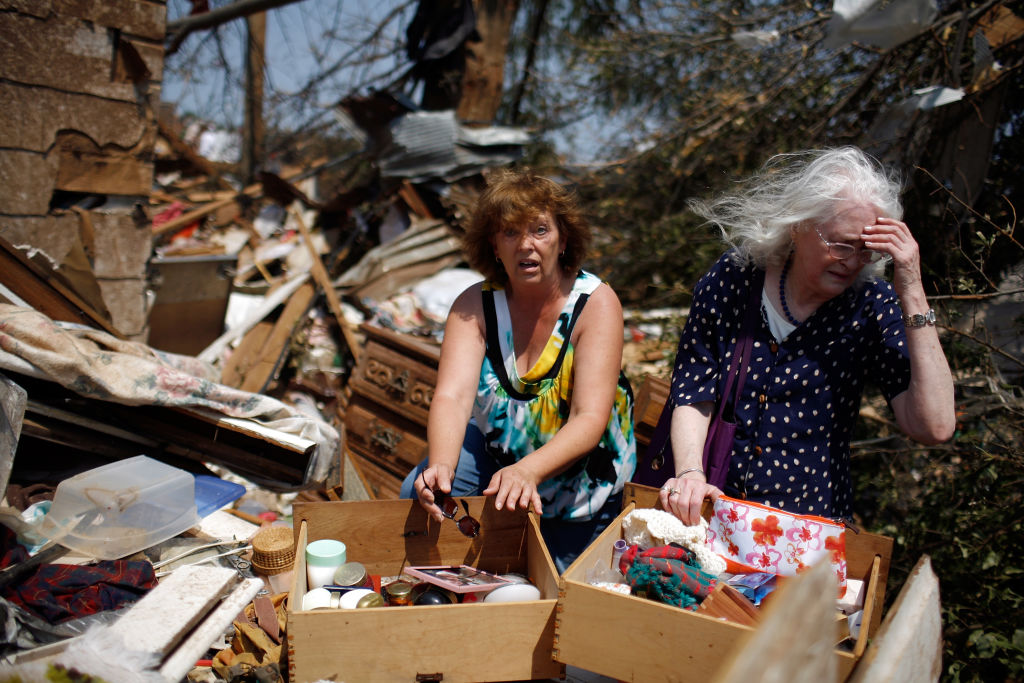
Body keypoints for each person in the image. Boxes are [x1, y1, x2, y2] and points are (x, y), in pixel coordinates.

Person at [660, 146, 955, 525]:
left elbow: (934, 426)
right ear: (798, 226)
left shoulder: (873, 306)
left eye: (866, 250)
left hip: (809, 533)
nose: (852, 261)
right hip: (713, 513)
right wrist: (688, 473)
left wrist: (911, 288)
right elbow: (694, 388)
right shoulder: (734, 278)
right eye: (841, 244)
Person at [400, 168, 637, 573]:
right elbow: (452, 397)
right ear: (493, 245)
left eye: (540, 230)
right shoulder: (473, 305)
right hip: (500, 460)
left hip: (580, 487)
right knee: (420, 487)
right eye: (510, 232)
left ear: (563, 239)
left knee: (549, 588)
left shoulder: (595, 303)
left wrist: (528, 471)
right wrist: (440, 465)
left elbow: (589, 417)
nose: (526, 245)